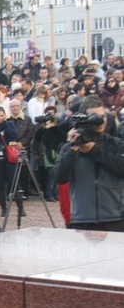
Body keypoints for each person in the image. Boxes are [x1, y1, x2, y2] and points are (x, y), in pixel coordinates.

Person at [54, 96, 124, 231]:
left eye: (103, 116)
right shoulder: (70, 147)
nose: (101, 121)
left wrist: (94, 151)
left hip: (116, 218)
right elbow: (59, 177)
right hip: (83, 219)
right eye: (95, 117)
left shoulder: (116, 144)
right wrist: (72, 148)